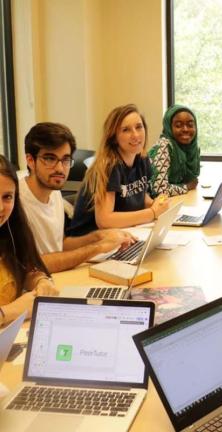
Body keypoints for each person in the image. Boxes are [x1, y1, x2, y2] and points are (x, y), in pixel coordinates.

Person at [20, 122, 136, 273]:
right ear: (30, 161)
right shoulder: (15, 201)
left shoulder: (54, 192)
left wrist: (98, 236)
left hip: (58, 278)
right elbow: (33, 265)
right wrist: (97, 247)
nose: (60, 168)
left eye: (65, 160)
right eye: (50, 159)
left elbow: (60, 245)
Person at [68, 104, 172, 236]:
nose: (135, 135)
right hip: (89, 242)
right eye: (126, 130)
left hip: (120, 234)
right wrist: (152, 213)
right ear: (114, 138)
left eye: (139, 127)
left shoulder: (141, 158)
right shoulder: (109, 166)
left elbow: (137, 193)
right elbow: (104, 220)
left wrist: (156, 204)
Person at [0, 155, 58, 325]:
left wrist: (39, 280)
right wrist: (11, 311)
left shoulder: (8, 232)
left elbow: (21, 269)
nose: (1, 208)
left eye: (7, 197)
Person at [149, 104, 200, 197]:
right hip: (155, 206)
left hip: (176, 201)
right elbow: (159, 190)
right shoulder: (164, 146)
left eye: (190, 125)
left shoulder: (192, 148)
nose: (185, 129)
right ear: (169, 127)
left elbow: (193, 180)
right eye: (178, 125)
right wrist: (187, 187)